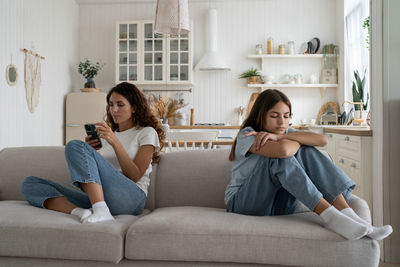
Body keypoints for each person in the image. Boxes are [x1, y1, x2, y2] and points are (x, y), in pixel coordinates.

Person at [225, 89, 392, 240]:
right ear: (260, 115)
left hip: (278, 207)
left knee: (306, 150)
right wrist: (293, 139)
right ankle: (330, 216)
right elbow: (283, 152)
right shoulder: (248, 135)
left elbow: (322, 140)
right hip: (243, 204)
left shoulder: (283, 133)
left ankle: (350, 216)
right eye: (274, 116)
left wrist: (281, 137)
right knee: (280, 157)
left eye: (286, 116)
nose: (282, 122)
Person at [21, 82, 165, 223]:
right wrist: (90, 152)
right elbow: (96, 175)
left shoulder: (146, 132)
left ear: (134, 107)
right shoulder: (108, 136)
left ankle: (100, 209)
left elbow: (135, 175)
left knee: (75, 145)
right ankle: (81, 212)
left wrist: (114, 142)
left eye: (120, 105)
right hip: (101, 199)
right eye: (111, 104)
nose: (114, 110)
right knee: (30, 184)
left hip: (131, 199)